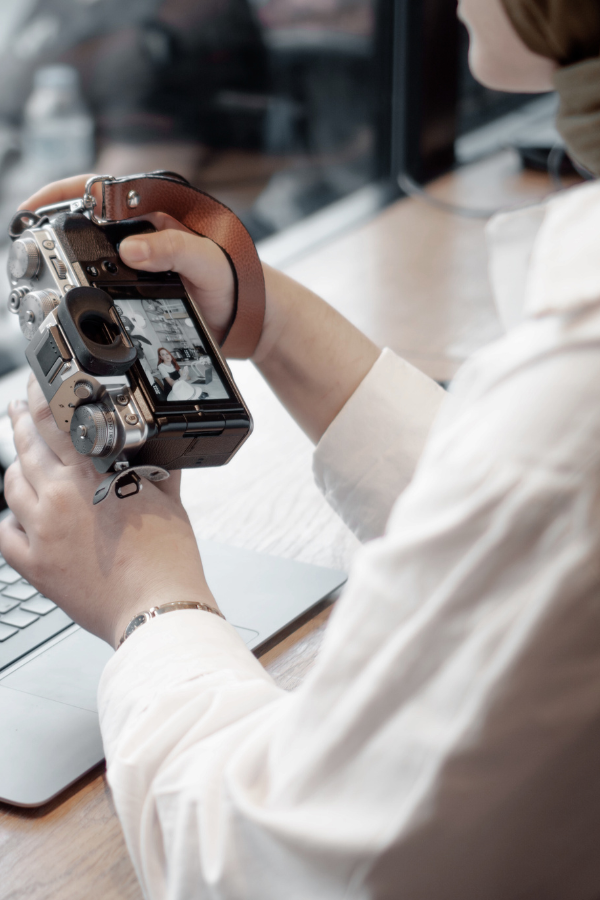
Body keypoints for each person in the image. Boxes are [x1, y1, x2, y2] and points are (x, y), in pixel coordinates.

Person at [2, 0, 600, 896]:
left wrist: (147, 598)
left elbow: (274, 861)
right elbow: (521, 522)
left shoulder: (569, 400)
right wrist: (265, 316)